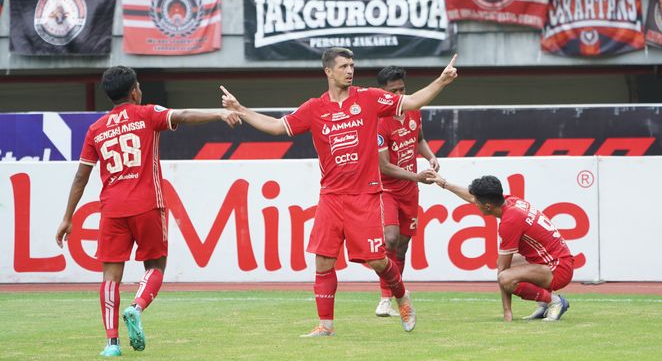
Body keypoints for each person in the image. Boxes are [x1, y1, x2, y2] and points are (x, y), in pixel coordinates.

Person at [220, 47, 458, 337]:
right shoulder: (314, 108)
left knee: (378, 260)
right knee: (322, 260)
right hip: (331, 197)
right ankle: (326, 325)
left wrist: (442, 81)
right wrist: (241, 110)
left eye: (352, 65)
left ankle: (402, 297)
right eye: (344, 65)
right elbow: (277, 127)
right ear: (328, 71)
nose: (350, 70)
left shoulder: (369, 98)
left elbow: (411, 101)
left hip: (365, 196)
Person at [55, 66, 241, 357]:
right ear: (134, 92)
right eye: (138, 86)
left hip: (112, 209)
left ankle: (111, 344)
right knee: (155, 266)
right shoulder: (146, 113)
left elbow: (81, 176)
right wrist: (218, 114)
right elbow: (182, 115)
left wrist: (67, 217)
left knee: (110, 276)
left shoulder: (96, 129)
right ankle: (136, 307)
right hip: (146, 204)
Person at [427, 174, 573, 322]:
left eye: (476, 202)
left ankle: (554, 301)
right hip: (557, 261)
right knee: (504, 267)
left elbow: (503, 273)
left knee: (505, 277)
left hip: (558, 270)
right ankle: (544, 305)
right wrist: (444, 184)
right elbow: (473, 197)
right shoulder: (510, 201)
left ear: (488, 206)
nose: (474, 203)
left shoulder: (510, 221)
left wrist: (507, 312)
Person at [373, 66, 439, 318]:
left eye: (402, 89)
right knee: (389, 238)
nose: (399, 94)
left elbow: (419, 139)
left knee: (401, 246)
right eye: (393, 91)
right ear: (383, 93)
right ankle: (384, 299)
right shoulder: (379, 122)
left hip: (410, 190)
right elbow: (384, 166)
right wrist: (417, 176)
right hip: (387, 189)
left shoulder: (413, 110)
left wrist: (431, 156)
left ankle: (396, 296)